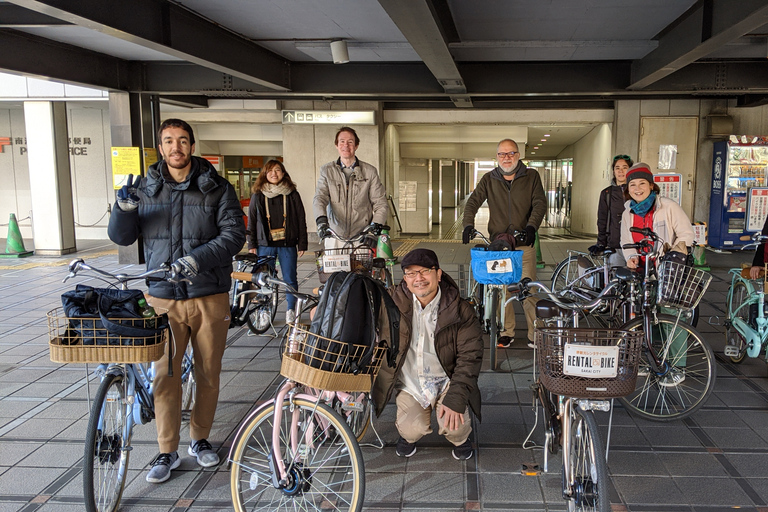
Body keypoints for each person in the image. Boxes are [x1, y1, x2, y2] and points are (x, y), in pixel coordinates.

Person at [108, 118, 246, 483]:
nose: (176, 147)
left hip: (208, 295)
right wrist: (121, 209)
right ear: (161, 147)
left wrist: (197, 259)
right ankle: (166, 450)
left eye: (182, 141)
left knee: (208, 374)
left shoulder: (217, 187)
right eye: (169, 141)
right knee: (164, 377)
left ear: (192, 145)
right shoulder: (145, 188)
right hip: (162, 298)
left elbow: (234, 235)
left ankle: (200, 440)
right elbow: (123, 238)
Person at [372, 248, 483, 461]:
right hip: (411, 382)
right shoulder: (391, 302)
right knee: (411, 430)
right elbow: (363, 306)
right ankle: (409, 432)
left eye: (425, 271)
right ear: (405, 278)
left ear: (438, 274)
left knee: (456, 429)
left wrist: (457, 396)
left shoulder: (460, 309)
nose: (419, 279)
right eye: (411, 273)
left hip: (447, 379)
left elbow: (470, 356)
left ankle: (461, 438)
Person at [462, 138, 547, 348]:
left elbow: (539, 203)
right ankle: (506, 331)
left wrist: (531, 227)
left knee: (528, 290)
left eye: (511, 153)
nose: (506, 157)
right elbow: (473, 201)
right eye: (502, 154)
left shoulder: (532, 176)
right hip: (499, 246)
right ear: (497, 157)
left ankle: (534, 334)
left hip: (523, 244)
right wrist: (467, 224)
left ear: (518, 155)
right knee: (502, 289)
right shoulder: (489, 178)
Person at [247, 159, 308, 323]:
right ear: (264, 174)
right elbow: (251, 221)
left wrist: (302, 243)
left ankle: (291, 310)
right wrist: (251, 243)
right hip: (265, 245)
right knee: (265, 279)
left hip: (287, 244)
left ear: (283, 173)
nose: (274, 174)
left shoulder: (292, 194)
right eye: (270, 171)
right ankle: (265, 310)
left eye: (278, 170)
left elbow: (301, 219)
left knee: (290, 278)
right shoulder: (258, 195)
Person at [313, 126, 388, 249]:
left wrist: (375, 227)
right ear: (336, 145)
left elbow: (381, 203)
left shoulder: (370, 172)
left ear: (356, 146)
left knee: (362, 268)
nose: (345, 145)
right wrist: (321, 222)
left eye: (350, 142)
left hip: (362, 235)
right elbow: (319, 199)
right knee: (334, 268)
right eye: (342, 141)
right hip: (335, 235)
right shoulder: (327, 171)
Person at [620, 162, 694, 269]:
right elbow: (626, 240)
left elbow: (686, 234)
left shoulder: (668, 206)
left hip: (667, 270)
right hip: (640, 269)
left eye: (642, 183)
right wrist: (631, 257)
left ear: (651, 185)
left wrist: (672, 257)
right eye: (632, 185)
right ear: (628, 189)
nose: (637, 189)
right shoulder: (627, 212)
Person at [590, 154, 633, 267]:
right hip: (615, 245)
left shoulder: (636, 191)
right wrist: (601, 242)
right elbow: (602, 219)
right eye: (617, 168)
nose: (621, 171)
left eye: (625, 167)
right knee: (615, 280)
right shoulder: (607, 193)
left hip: (634, 246)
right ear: (613, 171)